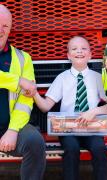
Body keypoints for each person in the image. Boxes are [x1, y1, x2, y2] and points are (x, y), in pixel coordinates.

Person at [33, 36, 107, 180]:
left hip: (92, 127)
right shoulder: (61, 78)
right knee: (71, 149)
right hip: (68, 128)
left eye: (84, 49)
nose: (79, 52)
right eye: (74, 49)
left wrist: (94, 111)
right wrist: (34, 93)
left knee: (100, 149)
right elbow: (45, 107)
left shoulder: (99, 78)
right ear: (69, 56)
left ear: (90, 54)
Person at [0, 5, 46, 180]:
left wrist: (12, 130)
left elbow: (26, 99)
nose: (0, 30)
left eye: (5, 26)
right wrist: (17, 81)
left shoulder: (22, 58)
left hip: (9, 124)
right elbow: (22, 85)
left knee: (35, 142)